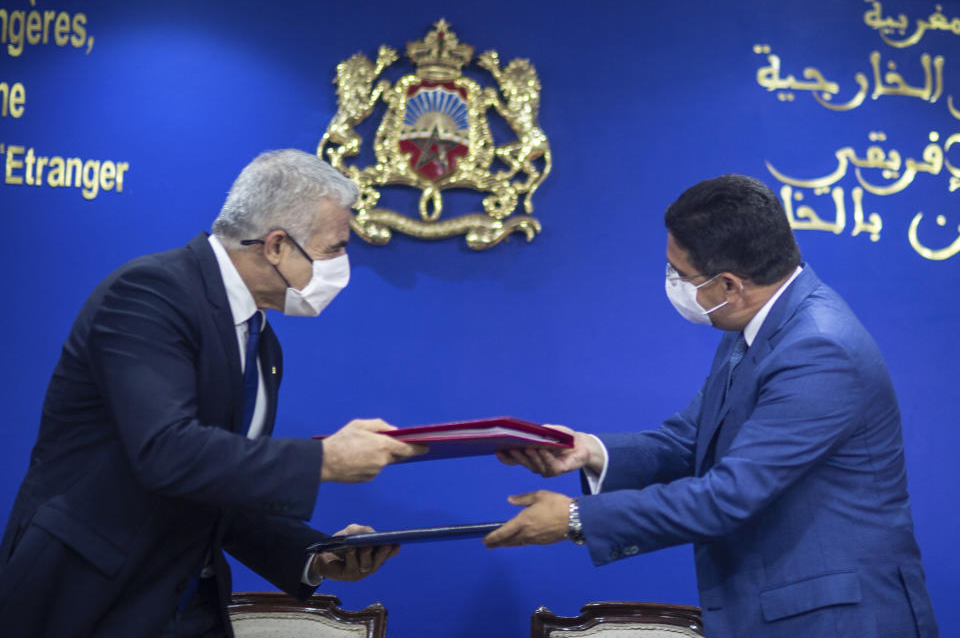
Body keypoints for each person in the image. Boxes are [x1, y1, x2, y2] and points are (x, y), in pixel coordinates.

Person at [484, 175, 938, 637]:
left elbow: (728, 495)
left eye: (679, 274)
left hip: (839, 622)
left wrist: (577, 519)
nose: (673, 283)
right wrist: (589, 452)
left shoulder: (818, 349)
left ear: (728, 285)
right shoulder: (755, 324)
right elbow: (689, 440)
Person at [0, 149, 425, 637]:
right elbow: (166, 451)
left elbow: (217, 485)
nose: (341, 266)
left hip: (190, 607)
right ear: (276, 246)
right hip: (89, 601)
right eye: (335, 248)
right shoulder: (150, 294)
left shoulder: (261, 341)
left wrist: (313, 554)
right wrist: (324, 459)